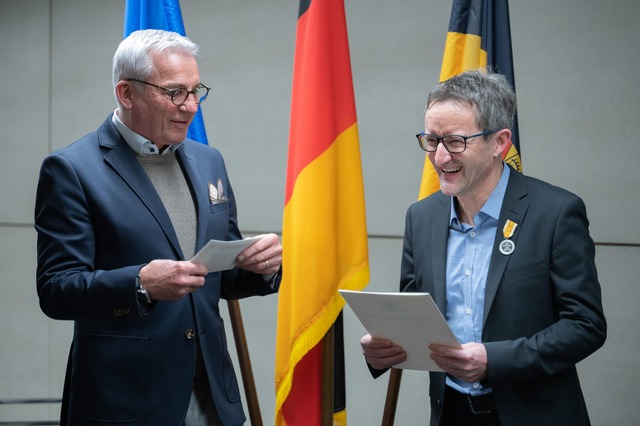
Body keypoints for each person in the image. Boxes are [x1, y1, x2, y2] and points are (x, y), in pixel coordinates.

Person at [34, 29, 282, 426]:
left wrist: (262, 266)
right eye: (174, 93)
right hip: (125, 403)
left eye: (195, 90)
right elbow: (56, 290)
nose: (190, 107)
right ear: (126, 93)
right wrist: (141, 284)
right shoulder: (71, 170)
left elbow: (219, 276)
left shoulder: (209, 161)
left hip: (213, 397)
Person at [360, 69, 606, 426]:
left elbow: (586, 325)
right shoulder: (421, 217)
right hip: (451, 414)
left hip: (534, 414)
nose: (441, 158)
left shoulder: (555, 212)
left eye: (456, 141)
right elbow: (416, 312)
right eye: (432, 140)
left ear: (499, 142)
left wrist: (495, 360)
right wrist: (383, 349)